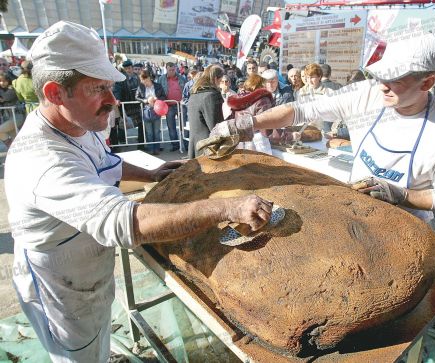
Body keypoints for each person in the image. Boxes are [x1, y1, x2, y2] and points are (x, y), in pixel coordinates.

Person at [4, 21, 272, 363]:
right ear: (56, 93)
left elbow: (106, 163)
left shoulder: (76, 123)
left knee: (98, 339)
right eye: (97, 88)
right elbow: (122, 222)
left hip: (88, 273)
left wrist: (150, 173)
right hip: (61, 290)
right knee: (80, 356)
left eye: (110, 86)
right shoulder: (41, 160)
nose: (112, 100)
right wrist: (224, 209)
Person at [200, 33, 435, 224]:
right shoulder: (365, 94)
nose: (383, 85)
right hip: (357, 211)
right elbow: (300, 110)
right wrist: (246, 123)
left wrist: (401, 194)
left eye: (395, 79)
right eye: (381, 76)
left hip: (406, 225)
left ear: (428, 82)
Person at [187, 64, 224, 158]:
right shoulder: (211, 96)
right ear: (216, 79)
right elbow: (216, 127)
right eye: (221, 81)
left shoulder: (194, 94)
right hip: (208, 148)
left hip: (196, 146)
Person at [135, 70, 166, 155]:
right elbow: (137, 97)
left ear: (148, 78)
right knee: (149, 133)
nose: (142, 82)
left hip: (156, 111)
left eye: (143, 80)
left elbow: (164, 96)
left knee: (156, 132)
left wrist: (157, 99)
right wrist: (144, 100)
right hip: (146, 111)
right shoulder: (141, 87)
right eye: (141, 80)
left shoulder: (158, 86)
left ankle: (157, 149)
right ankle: (151, 149)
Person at [158, 62, 186, 151]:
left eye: (173, 70)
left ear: (175, 69)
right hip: (169, 106)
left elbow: (185, 90)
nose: (171, 72)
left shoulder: (182, 78)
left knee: (184, 126)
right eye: (170, 70)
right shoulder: (161, 79)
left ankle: (186, 144)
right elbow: (158, 91)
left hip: (181, 105)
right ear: (166, 69)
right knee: (171, 127)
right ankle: (175, 145)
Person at [0, 74, 19, 148]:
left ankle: (12, 149)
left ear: (8, 81)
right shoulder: (2, 90)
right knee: (15, 138)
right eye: (0, 81)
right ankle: (15, 150)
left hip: (17, 116)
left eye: (4, 81)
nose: (2, 83)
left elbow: (6, 97)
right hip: (8, 118)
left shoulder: (11, 89)